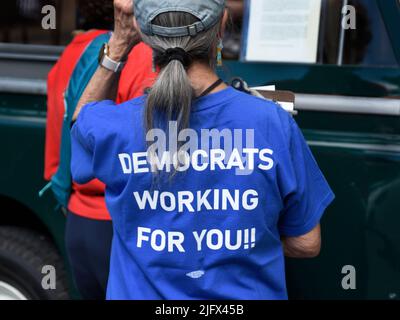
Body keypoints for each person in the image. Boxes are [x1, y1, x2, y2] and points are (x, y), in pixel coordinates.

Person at [70, 0, 335, 300]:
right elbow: (306, 242)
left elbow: (80, 123)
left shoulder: (114, 126)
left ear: (143, 33)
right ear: (222, 25)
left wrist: (118, 45)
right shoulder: (271, 123)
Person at [44, 0, 156, 299]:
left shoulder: (73, 52)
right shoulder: (143, 56)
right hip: (118, 225)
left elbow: (58, 140)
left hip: (78, 219)